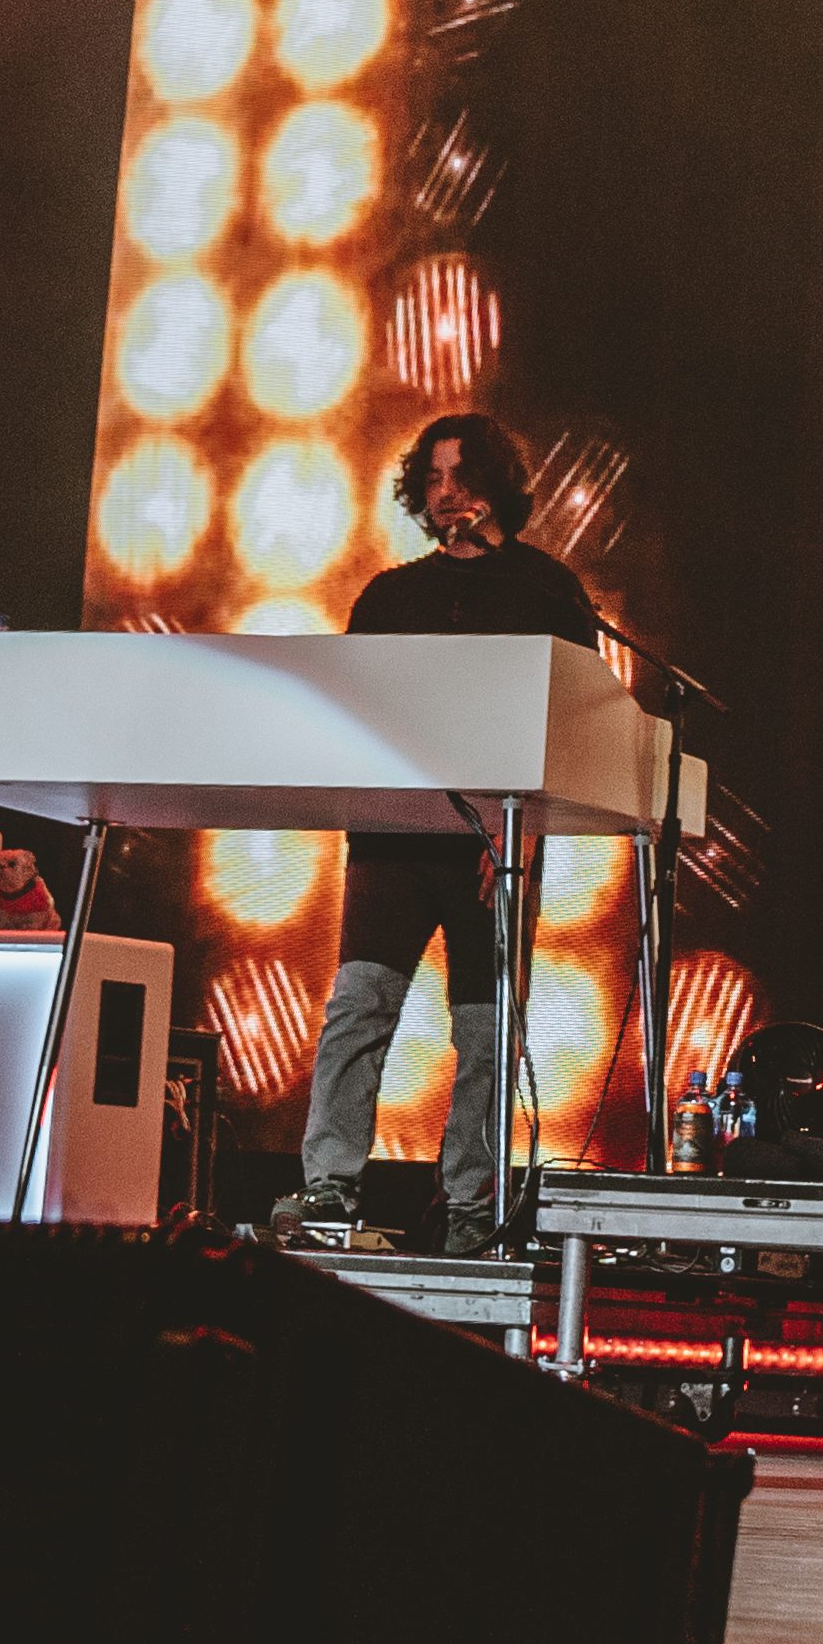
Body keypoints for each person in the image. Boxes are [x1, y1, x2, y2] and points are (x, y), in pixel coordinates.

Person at [281, 412, 609, 1252]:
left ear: (497, 485)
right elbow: (349, 712)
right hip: (392, 841)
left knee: (487, 1034)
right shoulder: (391, 596)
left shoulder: (548, 591)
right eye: (431, 478)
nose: (446, 492)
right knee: (359, 1008)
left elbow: (576, 721)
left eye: (460, 475)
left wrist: (528, 828)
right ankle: (328, 1190)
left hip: (495, 846)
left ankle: (470, 1208)